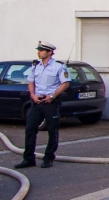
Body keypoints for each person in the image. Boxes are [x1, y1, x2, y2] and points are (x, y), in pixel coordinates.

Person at [14, 41, 71, 169]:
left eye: (41, 50)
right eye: (38, 50)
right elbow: (31, 81)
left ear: (49, 52)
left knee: (52, 130)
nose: (39, 52)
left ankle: (48, 157)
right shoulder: (36, 65)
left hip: (51, 103)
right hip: (36, 102)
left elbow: (65, 83)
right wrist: (33, 95)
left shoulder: (59, 66)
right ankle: (28, 159)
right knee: (30, 129)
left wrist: (52, 96)